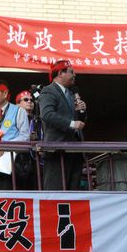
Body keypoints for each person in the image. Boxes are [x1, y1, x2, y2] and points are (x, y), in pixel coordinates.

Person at [38, 59, 87, 190]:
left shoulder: (70, 94)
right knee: (56, 190)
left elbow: (78, 122)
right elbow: (47, 114)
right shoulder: (48, 91)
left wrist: (81, 112)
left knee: (72, 190)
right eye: (71, 72)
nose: (74, 75)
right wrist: (72, 123)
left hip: (74, 150)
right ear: (60, 73)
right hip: (57, 150)